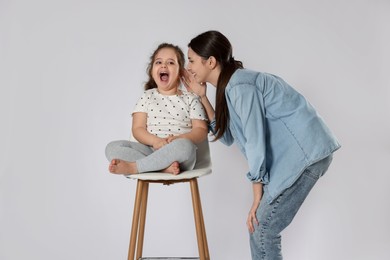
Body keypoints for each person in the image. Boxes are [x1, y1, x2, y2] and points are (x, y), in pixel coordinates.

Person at [184, 30, 341, 259]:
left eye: (191, 60)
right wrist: (202, 97)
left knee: (262, 229)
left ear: (210, 61)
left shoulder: (240, 85)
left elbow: (255, 141)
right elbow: (226, 137)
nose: (188, 67)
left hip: (306, 153)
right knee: (261, 230)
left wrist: (256, 195)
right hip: (302, 156)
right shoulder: (230, 88)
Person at [105, 43, 208, 175]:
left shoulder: (191, 98)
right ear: (152, 70)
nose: (163, 65)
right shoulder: (147, 96)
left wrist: (180, 138)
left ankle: (135, 167)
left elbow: (201, 130)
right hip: (150, 149)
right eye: (158, 62)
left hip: (178, 155)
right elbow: (137, 129)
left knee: (186, 146)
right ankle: (162, 168)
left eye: (171, 63)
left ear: (180, 72)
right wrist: (156, 142)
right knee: (111, 148)